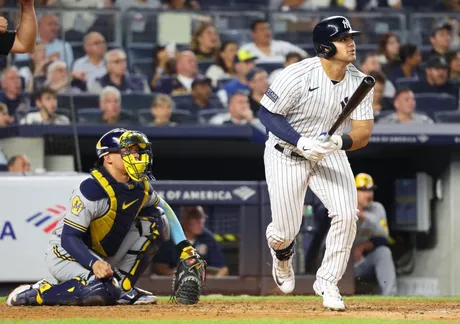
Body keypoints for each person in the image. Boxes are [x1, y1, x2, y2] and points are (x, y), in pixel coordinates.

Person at [7, 128, 205, 306]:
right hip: (65, 254)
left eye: (137, 150)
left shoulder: (140, 186)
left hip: (103, 251)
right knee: (101, 292)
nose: (136, 155)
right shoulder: (92, 189)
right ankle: (37, 293)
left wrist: (184, 247)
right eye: (128, 150)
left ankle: (124, 289)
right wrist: (94, 264)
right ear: (108, 158)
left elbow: (165, 210)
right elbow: (69, 238)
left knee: (157, 220)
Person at [258, 16, 374, 311]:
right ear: (325, 47)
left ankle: (328, 281)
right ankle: (283, 254)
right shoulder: (297, 75)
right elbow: (267, 114)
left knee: (347, 214)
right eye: (343, 39)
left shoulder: (360, 81)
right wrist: (301, 141)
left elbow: (362, 133)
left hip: (329, 153)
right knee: (284, 231)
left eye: (351, 37)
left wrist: (339, 142)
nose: (351, 43)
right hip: (287, 152)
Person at [152, 205, 228, 277]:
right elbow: (159, 267)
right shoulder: (171, 237)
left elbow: (223, 269)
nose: (200, 222)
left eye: (202, 217)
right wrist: (182, 275)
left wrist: (213, 280)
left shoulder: (208, 238)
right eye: (195, 218)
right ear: (184, 219)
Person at [353, 173, 397, 296]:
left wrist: (365, 217)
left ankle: (390, 297)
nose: (369, 194)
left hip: (363, 262)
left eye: (370, 190)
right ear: (353, 191)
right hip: (343, 265)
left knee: (384, 252)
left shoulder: (377, 208)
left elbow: (384, 237)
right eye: (363, 190)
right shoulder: (342, 208)